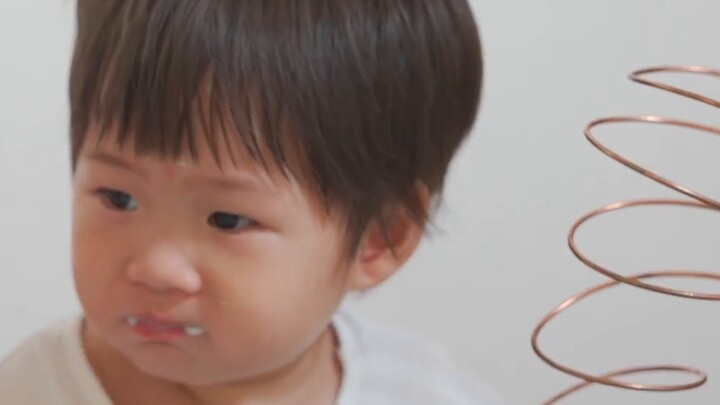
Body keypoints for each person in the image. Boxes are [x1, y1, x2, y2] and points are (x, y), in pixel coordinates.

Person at [0, 0, 500, 403]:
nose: (155, 269)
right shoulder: (27, 390)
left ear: (378, 237)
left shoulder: (425, 392)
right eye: (118, 197)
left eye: (228, 219)